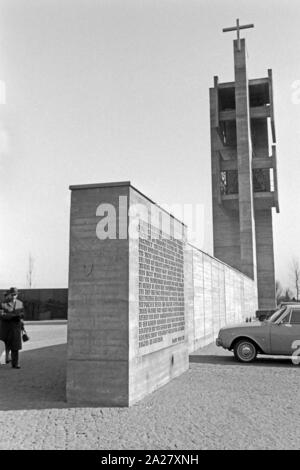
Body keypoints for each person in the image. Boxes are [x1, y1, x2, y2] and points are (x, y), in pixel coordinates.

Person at [0, 287, 25, 369]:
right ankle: (4, 359)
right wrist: (12, 316)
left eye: (16, 294)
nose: (14, 296)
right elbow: (2, 315)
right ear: (9, 294)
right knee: (4, 345)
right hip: (6, 328)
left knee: (15, 346)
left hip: (16, 328)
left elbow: (22, 313)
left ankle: (15, 363)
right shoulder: (3, 303)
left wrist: (21, 319)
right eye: (13, 294)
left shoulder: (19, 303)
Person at [0, 291, 11, 363]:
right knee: (5, 342)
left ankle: (7, 357)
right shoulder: (3, 304)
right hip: (3, 326)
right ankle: (6, 357)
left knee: (8, 343)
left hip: (7, 325)